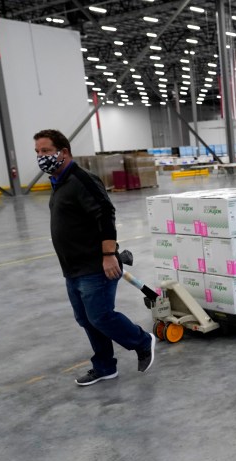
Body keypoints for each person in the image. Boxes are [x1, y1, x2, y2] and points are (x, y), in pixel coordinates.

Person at [34, 129, 155, 386]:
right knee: (86, 319)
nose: (40, 156)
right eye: (37, 152)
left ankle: (143, 341)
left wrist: (109, 254)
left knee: (100, 316)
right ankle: (104, 367)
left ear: (63, 152)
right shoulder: (58, 183)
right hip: (73, 269)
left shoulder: (81, 179)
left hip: (96, 266)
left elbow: (105, 215)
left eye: (45, 151)